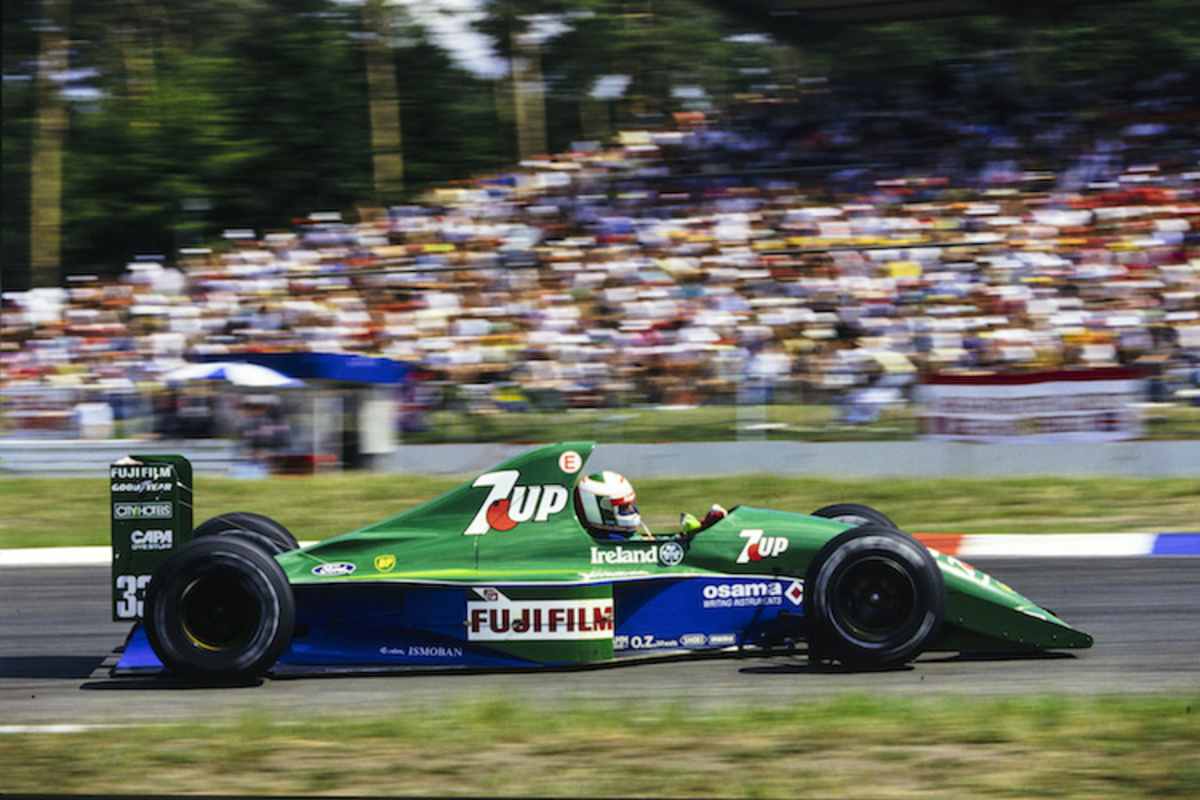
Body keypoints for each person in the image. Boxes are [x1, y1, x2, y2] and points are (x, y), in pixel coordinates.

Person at [575, 470, 727, 540]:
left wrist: (696, 532)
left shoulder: (623, 537)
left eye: (630, 505)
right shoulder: (610, 544)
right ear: (600, 510)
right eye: (624, 507)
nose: (631, 511)